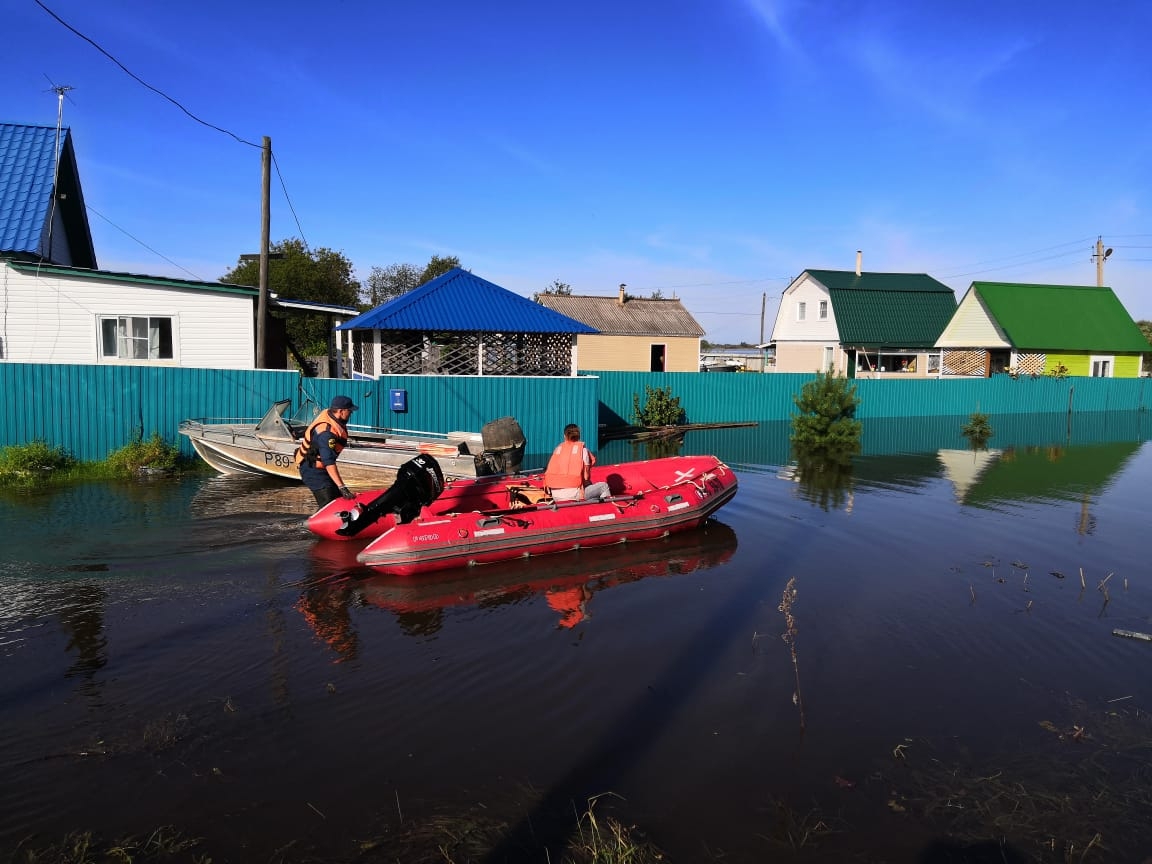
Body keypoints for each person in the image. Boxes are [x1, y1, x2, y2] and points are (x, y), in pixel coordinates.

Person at [296, 395, 358, 508]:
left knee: (338, 500)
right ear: (341, 411)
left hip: (321, 468)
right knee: (328, 505)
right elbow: (328, 462)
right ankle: (316, 523)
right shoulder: (327, 433)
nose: (351, 413)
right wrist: (342, 487)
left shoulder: (330, 416)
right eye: (349, 411)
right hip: (313, 471)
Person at [543, 423, 610, 502]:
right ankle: (605, 509)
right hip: (575, 494)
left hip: (555, 494)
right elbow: (586, 477)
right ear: (578, 436)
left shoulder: (558, 449)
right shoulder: (583, 450)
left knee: (588, 488)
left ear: (564, 436)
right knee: (604, 486)